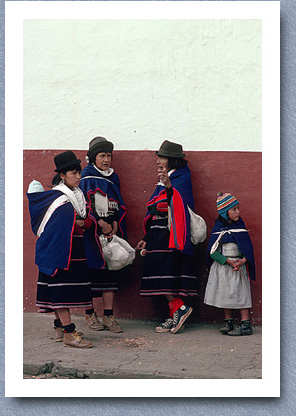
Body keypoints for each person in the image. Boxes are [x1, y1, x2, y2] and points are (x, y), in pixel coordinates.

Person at [27, 150, 93, 348]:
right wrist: (80, 224)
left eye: (79, 172)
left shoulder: (77, 197)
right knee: (60, 293)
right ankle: (69, 334)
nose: (78, 177)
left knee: (60, 292)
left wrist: (83, 223)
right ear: (62, 176)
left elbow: (86, 221)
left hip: (73, 252)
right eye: (73, 173)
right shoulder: (58, 200)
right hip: (60, 253)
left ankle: (60, 328)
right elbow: (61, 226)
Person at [135, 140, 198, 334]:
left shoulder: (182, 177)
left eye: (162, 158)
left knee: (167, 273)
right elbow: (155, 205)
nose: (158, 162)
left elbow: (178, 203)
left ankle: (179, 308)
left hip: (170, 233)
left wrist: (169, 187)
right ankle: (176, 313)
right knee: (160, 272)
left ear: (171, 161)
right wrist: (147, 235)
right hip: (157, 232)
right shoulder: (163, 179)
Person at [79, 136, 127, 333]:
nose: (106, 160)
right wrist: (99, 223)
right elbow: (84, 204)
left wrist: (115, 224)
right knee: (90, 273)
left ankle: (109, 316)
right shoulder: (87, 177)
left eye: (108, 155)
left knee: (110, 272)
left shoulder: (112, 178)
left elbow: (116, 203)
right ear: (93, 158)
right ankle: (90, 314)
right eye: (101, 156)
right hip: (92, 234)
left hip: (110, 233)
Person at [204, 192, 256, 336]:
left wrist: (243, 260)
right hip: (224, 266)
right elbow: (212, 252)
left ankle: (245, 324)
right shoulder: (218, 229)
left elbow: (247, 248)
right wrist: (227, 261)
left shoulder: (240, 227)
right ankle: (229, 322)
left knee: (241, 292)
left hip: (238, 267)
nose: (238, 212)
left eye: (238, 208)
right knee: (225, 293)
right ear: (224, 213)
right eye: (234, 209)